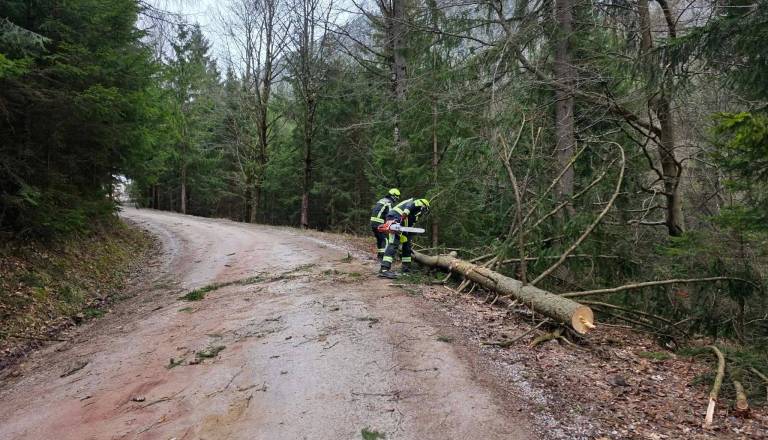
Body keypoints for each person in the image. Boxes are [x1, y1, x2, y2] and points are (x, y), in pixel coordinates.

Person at [378, 197, 430, 279]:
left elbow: (410, 225)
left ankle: (406, 269)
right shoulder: (416, 203)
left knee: (407, 245)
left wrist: (410, 232)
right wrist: (401, 219)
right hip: (395, 218)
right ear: (424, 206)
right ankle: (384, 269)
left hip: (403, 225)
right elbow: (407, 209)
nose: (423, 213)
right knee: (393, 244)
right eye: (424, 210)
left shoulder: (414, 215)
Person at [370, 188, 401, 260]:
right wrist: (396, 221)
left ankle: (379, 256)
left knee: (380, 239)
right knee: (385, 240)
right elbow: (390, 214)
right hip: (379, 223)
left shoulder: (381, 200)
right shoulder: (389, 202)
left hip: (373, 222)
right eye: (397, 197)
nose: (396, 199)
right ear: (393, 196)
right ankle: (383, 257)